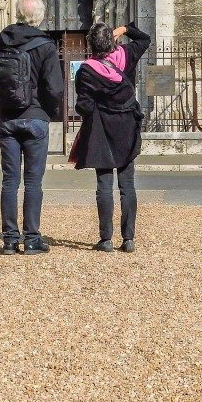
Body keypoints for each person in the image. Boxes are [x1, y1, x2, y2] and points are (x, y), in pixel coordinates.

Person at [0, 0, 64, 256]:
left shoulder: (0, 41)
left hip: (7, 119)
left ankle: (9, 240)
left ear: (17, 12)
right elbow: (55, 88)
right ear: (39, 16)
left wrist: (0, 103)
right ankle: (32, 238)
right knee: (33, 182)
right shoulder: (46, 46)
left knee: (9, 181)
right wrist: (47, 111)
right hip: (35, 119)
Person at [71, 22, 151, 253]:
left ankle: (106, 239)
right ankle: (129, 239)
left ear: (91, 45)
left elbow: (83, 106)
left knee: (104, 185)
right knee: (127, 185)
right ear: (113, 41)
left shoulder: (87, 70)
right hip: (126, 126)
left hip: (101, 129)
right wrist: (124, 29)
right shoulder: (126, 55)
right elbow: (144, 39)